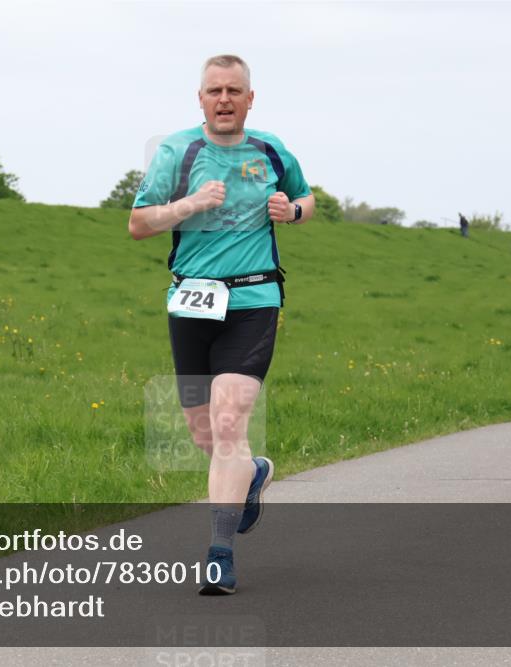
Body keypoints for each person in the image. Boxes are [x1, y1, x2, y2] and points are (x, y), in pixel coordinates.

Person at [128, 54, 314, 594]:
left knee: (230, 421)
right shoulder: (177, 152)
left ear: (250, 98)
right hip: (191, 300)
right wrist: (186, 204)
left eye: (235, 90)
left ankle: (219, 553)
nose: (225, 99)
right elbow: (138, 224)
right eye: (215, 90)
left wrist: (293, 212)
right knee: (203, 431)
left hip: (255, 298)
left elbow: (307, 198)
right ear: (200, 97)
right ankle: (252, 473)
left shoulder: (271, 149)